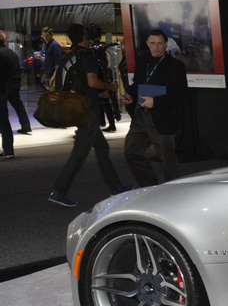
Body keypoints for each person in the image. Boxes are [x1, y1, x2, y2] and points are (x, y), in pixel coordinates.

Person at [48, 24, 129, 207]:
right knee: (79, 153)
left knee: (102, 148)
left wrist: (99, 94)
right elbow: (92, 82)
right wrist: (110, 87)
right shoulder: (86, 56)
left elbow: (81, 85)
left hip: (80, 107)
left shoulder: (72, 55)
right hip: (88, 112)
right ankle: (59, 190)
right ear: (84, 36)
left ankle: (115, 186)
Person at [122, 28, 187, 187]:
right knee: (131, 152)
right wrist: (130, 94)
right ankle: (150, 187)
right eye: (152, 43)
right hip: (141, 116)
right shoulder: (142, 61)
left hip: (162, 118)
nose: (156, 47)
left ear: (165, 45)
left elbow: (179, 94)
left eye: (159, 43)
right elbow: (137, 84)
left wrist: (155, 102)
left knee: (168, 162)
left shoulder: (175, 66)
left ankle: (174, 192)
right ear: (147, 43)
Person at [1, 32, 32, 137]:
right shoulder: (11, 53)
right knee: (18, 105)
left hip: (4, 85)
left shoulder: (1, 53)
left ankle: (3, 128)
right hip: (14, 82)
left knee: (3, 108)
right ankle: (26, 125)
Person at [0, 32, 20, 158]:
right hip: (9, 87)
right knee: (4, 120)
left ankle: (8, 149)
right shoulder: (10, 53)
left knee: (3, 121)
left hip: (2, 89)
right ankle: (8, 149)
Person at [41, 26, 63, 90]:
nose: (45, 38)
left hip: (52, 74)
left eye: (47, 36)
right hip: (49, 74)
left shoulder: (55, 46)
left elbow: (58, 62)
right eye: (44, 36)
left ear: (51, 35)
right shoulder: (48, 45)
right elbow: (50, 60)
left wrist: (54, 76)